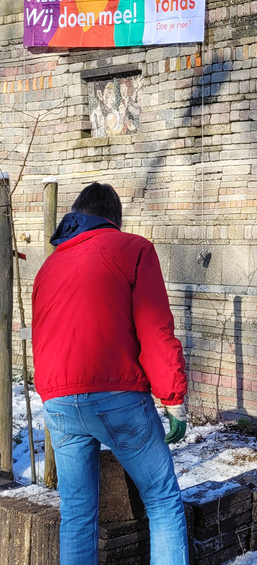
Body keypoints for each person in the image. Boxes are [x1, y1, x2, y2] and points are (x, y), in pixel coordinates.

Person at [32, 182, 189, 565]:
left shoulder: (48, 266)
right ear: (113, 220)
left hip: (58, 403)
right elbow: (154, 329)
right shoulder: (133, 249)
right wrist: (173, 400)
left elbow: (41, 336)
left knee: (77, 515)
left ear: (76, 216)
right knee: (163, 499)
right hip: (116, 395)